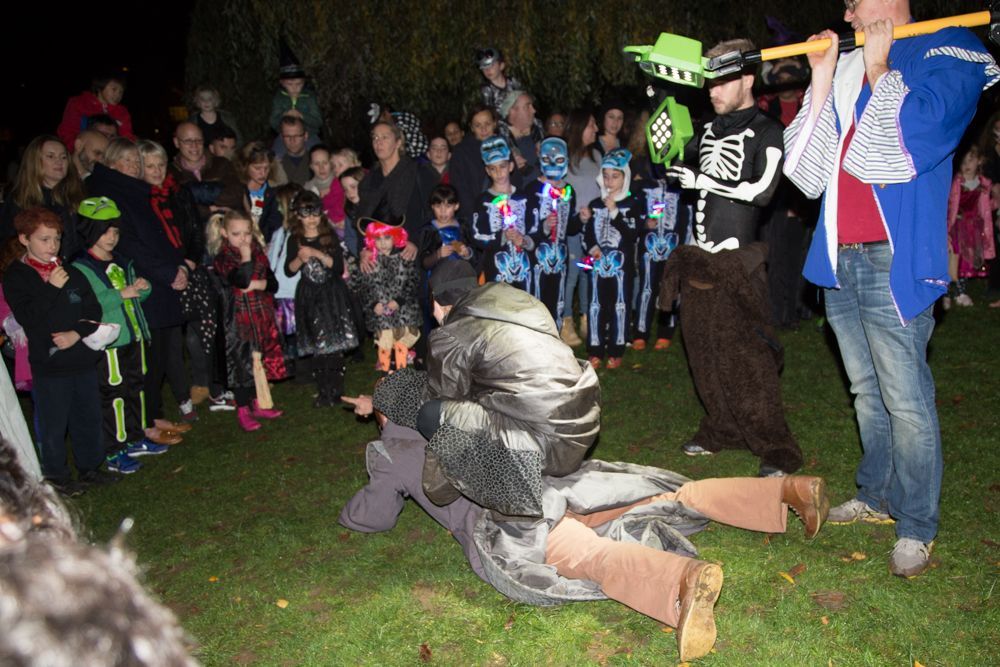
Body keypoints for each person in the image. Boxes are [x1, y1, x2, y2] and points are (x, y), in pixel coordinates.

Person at [340, 384, 830, 662]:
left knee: (587, 556)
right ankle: (785, 491)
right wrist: (383, 405)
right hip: (560, 487)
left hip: (516, 520)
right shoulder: (462, 412)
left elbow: (374, 516)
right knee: (667, 495)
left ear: (384, 417)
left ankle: (680, 582)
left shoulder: (394, 452)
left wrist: (368, 470)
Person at [782, 0, 998, 576]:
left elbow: (907, 143)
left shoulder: (948, 50)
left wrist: (882, 71)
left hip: (891, 260)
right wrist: (824, 75)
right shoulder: (851, 59)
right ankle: (876, 495)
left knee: (905, 400)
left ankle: (917, 524)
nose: (848, 10)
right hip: (839, 259)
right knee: (866, 393)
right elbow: (807, 172)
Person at [406, 260, 601, 517]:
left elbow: (443, 399)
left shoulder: (452, 333)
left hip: (546, 445)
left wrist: (438, 487)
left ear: (437, 302)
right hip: (580, 425)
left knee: (431, 415)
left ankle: (504, 490)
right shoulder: (521, 303)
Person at [2, 208, 117, 495]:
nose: (52, 246)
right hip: (49, 365)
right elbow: (29, 316)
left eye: (56, 239)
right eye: (44, 239)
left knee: (88, 416)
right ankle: (57, 476)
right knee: (54, 424)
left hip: (81, 359)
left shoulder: (72, 271)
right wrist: (51, 288)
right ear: (25, 239)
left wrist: (76, 333)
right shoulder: (17, 277)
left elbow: (93, 308)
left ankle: (90, 467)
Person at [88, 139, 196, 435]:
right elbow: (131, 243)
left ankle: (153, 413)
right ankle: (143, 422)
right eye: (127, 160)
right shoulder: (111, 193)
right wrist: (166, 272)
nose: (135, 166)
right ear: (111, 163)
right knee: (145, 357)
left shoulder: (133, 191)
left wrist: (179, 266)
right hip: (144, 282)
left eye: (137, 160)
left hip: (159, 280)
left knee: (159, 353)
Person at [71, 197, 167, 475]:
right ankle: (115, 450)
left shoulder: (123, 261)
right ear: (90, 231)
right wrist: (119, 294)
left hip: (134, 336)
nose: (112, 237)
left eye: (115, 231)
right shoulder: (81, 267)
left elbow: (136, 296)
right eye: (105, 231)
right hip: (109, 344)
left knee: (136, 389)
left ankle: (136, 438)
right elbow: (87, 304)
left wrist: (143, 287)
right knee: (113, 395)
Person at [667, 39, 784, 254]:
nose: (712, 93)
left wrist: (701, 180)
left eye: (722, 83)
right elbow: (674, 169)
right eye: (711, 83)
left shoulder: (769, 130)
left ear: (747, 80)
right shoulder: (709, 125)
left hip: (736, 258)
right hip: (696, 251)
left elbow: (762, 193)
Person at [209, 209, 286, 431]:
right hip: (237, 320)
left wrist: (260, 285)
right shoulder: (223, 258)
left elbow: (273, 283)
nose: (243, 239)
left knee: (258, 360)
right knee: (241, 364)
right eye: (236, 234)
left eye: (247, 233)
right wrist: (245, 259)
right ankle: (242, 408)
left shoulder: (259, 253)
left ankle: (258, 402)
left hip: (261, 316)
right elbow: (240, 280)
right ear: (224, 233)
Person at [283, 192, 358, 407]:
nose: (311, 218)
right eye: (306, 213)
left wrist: (317, 253)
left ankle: (336, 389)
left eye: (315, 211)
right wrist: (300, 257)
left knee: (333, 344)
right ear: (297, 215)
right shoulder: (294, 240)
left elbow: (337, 267)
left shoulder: (329, 236)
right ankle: (323, 390)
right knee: (318, 345)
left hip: (330, 294)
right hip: (309, 296)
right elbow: (289, 271)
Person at [583, 148, 643, 369]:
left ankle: (617, 349)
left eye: (615, 176)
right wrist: (592, 248)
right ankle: (595, 348)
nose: (609, 181)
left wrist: (616, 213)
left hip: (621, 268)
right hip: (597, 266)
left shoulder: (632, 204)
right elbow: (588, 232)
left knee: (620, 305)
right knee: (595, 305)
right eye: (606, 175)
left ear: (625, 177)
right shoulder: (595, 204)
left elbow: (632, 235)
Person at [352, 218, 421, 373]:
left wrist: (399, 300)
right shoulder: (369, 262)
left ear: (395, 237)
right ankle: (386, 376)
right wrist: (373, 304)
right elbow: (362, 288)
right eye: (378, 238)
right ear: (371, 240)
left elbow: (413, 282)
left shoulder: (404, 259)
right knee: (384, 343)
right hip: (381, 313)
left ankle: (402, 374)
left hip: (403, 312)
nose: (382, 243)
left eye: (387, 237)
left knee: (403, 342)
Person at [0, 136, 85, 260]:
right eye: (50, 156)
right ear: (35, 161)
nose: (59, 161)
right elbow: (8, 243)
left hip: (74, 269)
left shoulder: (78, 196)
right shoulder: (20, 199)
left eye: (63, 157)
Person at [355, 120, 437, 245]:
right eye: (375, 137)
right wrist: (364, 250)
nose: (378, 142)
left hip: (413, 249)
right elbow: (362, 220)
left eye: (385, 137)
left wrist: (415, 242)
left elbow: (434, 214)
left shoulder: (420, 173)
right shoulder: (368, 181)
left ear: (398, 142)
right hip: (378, 251)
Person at [525, 137, 579, 327]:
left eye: (559, 159)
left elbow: (571, 228)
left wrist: (581, 219)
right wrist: (544, 226)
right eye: (548, 159)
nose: (553, 164)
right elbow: (527, 228)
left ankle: (555, 338)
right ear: (540, 159)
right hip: (537, 258)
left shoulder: (569, 190)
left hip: (560, 258)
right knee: (536, 301)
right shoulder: (531, 190)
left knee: (557, 300)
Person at [562, 109, 603, 346]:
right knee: (572, 275)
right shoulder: (565, 160)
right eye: (591, 125)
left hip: (593, 230)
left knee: (589, 273)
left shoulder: (596, 156)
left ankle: (588, 319)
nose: (595, 129)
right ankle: (565, 323)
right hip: (573, 229)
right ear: (579, 128)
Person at [471, 136, 531, 291]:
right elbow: (477, 236)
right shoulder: (483, 201)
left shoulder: (523, 197)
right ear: (487, 171)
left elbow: (533, 229)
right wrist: (502, 236)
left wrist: (523, 240)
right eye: (493, 168)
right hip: (496, 267)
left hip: (524, 266)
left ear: (511, 166)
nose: (499, 172)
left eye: (502, 166)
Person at [945, 145, 995, 307]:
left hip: (973, 228)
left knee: (968, 259)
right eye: (964, 161)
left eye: (971, 160)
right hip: (957, 227)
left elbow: (985, 206)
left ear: (979, 161)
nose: (967, 164)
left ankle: (960, 291)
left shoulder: (983, 184)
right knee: (954, 258)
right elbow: (949, 204)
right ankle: (950, 292)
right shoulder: (956, 182)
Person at [169, 122, 245, 222]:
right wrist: (208, 209)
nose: (194, 145)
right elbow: (176, 207)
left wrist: (193, 196)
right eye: (188, 141)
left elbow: (235, 195)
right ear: (176, 142)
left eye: (198, 140)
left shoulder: (221, 164)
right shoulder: (171, 172)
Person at [56, 72, 135, 148]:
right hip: (83, 152)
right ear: (100, 86)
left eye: (121, 92)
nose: (118, 95)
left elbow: (127, 136)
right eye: (114, 89)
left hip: (111, 155)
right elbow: (68, 131)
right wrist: (76, 150)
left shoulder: (122, 112)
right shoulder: (79, 103)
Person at [450, 105, 500, 218]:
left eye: (487, 124)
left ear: (494, 124)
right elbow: (460, 189)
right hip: (475, 215)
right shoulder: (461, 152)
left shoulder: (502, 146)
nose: (484, 129)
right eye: (478, 125)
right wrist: (475, 215)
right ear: (472, 128)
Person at [238, 141, 286, 242]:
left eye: (266, 168)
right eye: (257, 168)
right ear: (245, 166)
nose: (263, 173)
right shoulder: (237, 191)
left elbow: (275, 225)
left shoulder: (274, 192)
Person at [497, 91, 543, 183]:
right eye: (527, 106)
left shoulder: (537, 133)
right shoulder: (501, 144)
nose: (533, 110)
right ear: (512, 111)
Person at [476, 47, 521, 114]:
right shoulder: (486, 90)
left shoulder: (513, 81)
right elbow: (490, 114)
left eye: (492, 66)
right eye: (484, 68)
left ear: (501, 66)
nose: (488, 70)